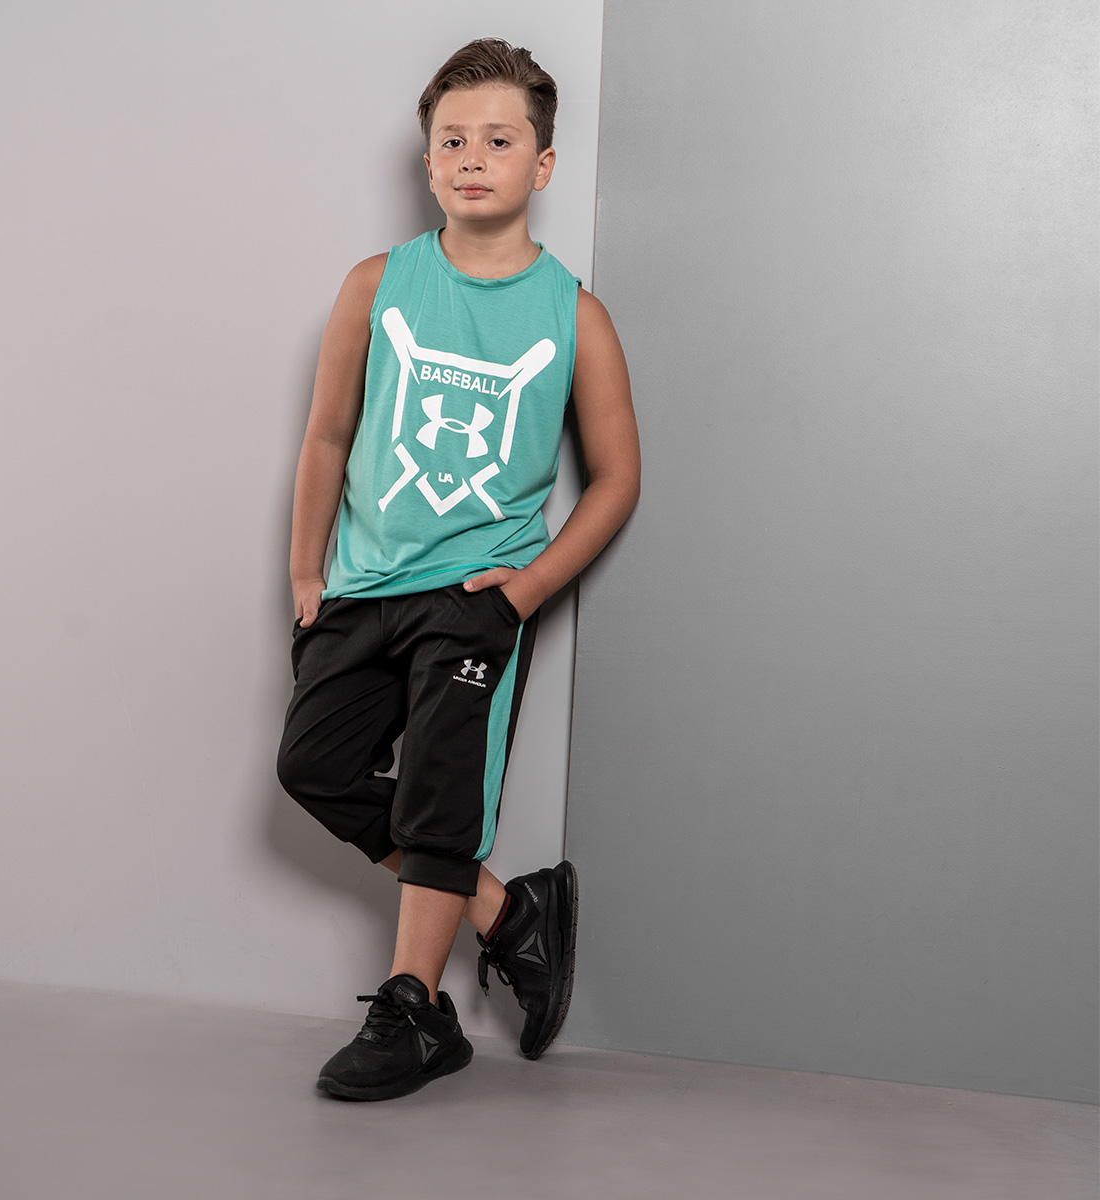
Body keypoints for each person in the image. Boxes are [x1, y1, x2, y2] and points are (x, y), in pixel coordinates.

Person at [276, 37, 640, 1101]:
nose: (473, 157)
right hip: (362, 584)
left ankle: (415, 1010)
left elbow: (616, 478)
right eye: (452, 140)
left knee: (440, 796)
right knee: (313, 767)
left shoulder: (574, 317)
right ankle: (508, 912)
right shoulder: (378, 285)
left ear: (544, 163)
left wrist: (524, 593)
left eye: (500, 139)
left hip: (478, 593)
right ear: (428, 160)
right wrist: (306, 575)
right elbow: (327, 437)